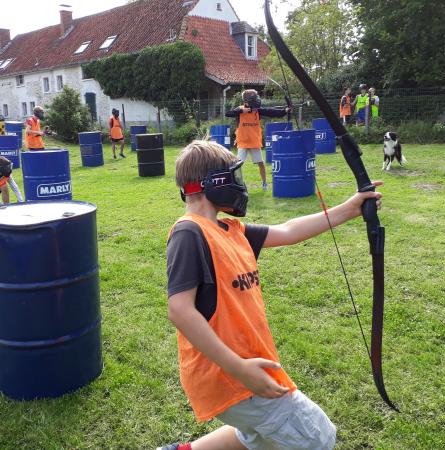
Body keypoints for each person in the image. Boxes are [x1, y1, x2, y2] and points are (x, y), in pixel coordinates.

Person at [160, 140, 384, 450]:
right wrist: (239, 368)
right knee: (318, 437)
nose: (240, 184)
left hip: (246, 369)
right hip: (231, 375)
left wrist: (350, 208)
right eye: (233, 176)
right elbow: (180, 310)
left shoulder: (230, 230)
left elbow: (289, 230)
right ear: (215, 182)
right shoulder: (190, 232)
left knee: (257, 435)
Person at [226, 89, 289, 191]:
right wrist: (241, 110)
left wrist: (285, 111)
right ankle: (237, 184)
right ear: (246, 101)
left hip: (254, 142)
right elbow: (228, 113)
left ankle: (264, 183)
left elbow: (271, 112)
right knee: (236, 165)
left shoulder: (257, 111)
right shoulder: (240, 110)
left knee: (260, 163)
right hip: (243, 142)